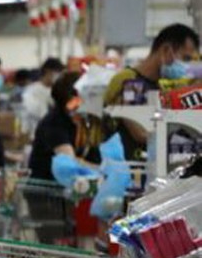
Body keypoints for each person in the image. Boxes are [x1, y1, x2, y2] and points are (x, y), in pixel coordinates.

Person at [104, 23, 200, 160]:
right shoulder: (133, 84)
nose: (187, 66)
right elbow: (140, 133)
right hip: (128, 173)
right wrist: (187, 143)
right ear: (166, 50)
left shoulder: (158, 86)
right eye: (185, 59)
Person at [28, 71, 83, 181]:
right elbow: (68, 161)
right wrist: (102, 169)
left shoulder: (78, 120)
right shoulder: (54, 122)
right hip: (47, 190)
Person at [21, 57, 65, 137]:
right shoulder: (31, 91)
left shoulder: (59, 91)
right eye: (57, 73)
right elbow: (38, 113)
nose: (59, 76)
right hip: (36, 135)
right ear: (48, 71)